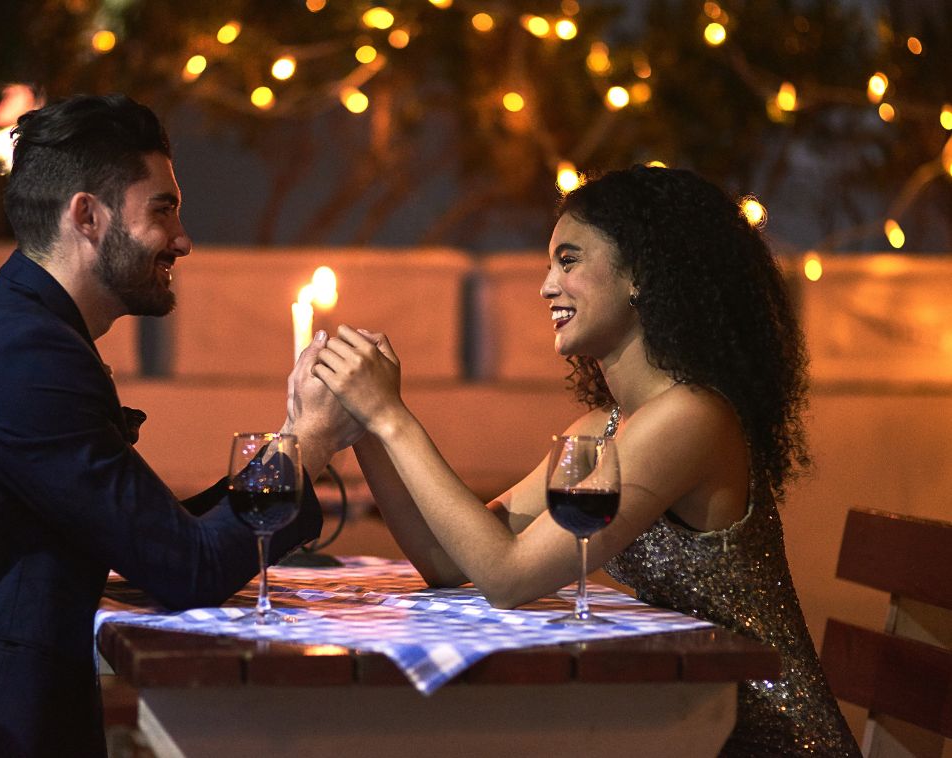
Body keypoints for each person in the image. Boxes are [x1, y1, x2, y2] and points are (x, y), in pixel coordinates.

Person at [309, 166, 860, 756]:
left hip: (759, 739)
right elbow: (452, 562)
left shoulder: (693, 417)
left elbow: (509, 577)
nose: (546, 286)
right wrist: (367, 426)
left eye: (568, 261)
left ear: (641, 275)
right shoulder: (606, 429)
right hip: (675, 726)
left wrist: (393, 417)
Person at [0, 94, 358, 757]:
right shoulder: (22, 357)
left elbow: (157, 538)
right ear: (87, 215)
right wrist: (308, 444)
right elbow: (186, 567)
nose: (184, 240)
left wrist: (291, 436)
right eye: (163, 210)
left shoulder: (16, 326)